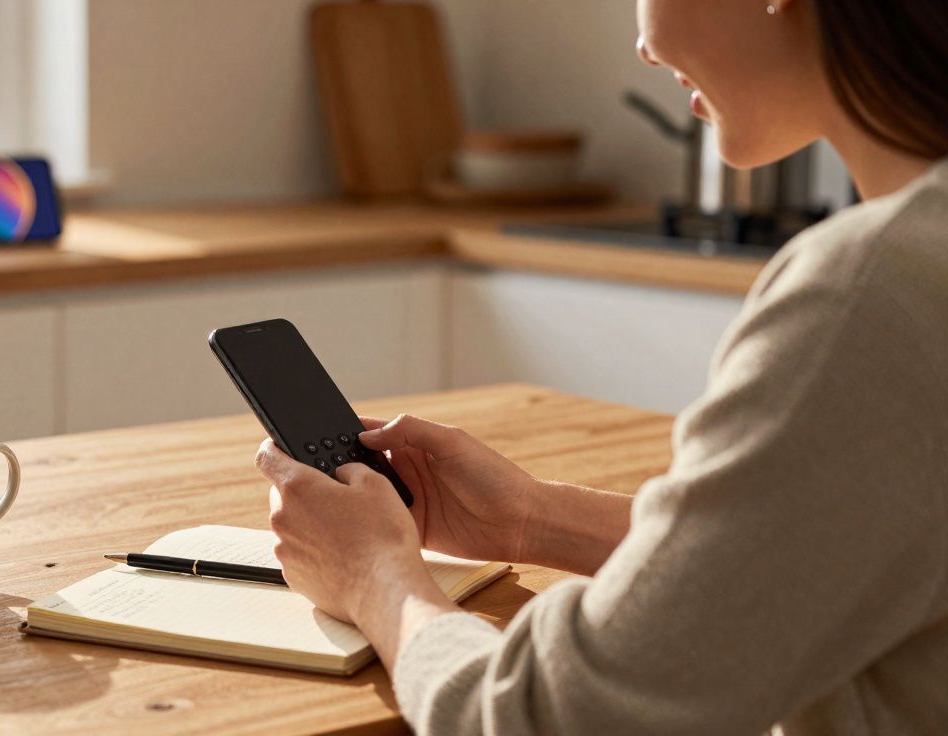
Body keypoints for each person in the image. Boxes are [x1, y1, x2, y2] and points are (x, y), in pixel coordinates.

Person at [254, 0, 948, 732]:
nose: (644, 48)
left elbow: (553, 718)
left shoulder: (871, 293)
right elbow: (833, 554)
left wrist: (375, 578)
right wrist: (532, 519)